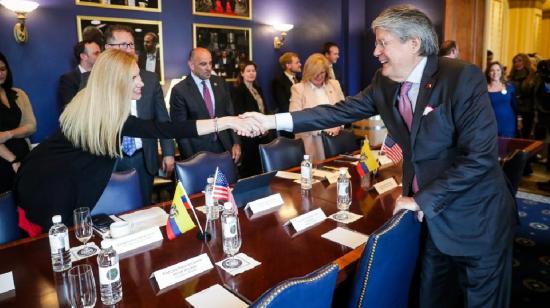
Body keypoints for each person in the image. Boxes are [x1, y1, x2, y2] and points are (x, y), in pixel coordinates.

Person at [242, 5, 516, 307]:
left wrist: (422, 199)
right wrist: (270, 121)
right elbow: (335, 112)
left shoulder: (461, 77)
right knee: (431, 299)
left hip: (477, 218)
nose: (375, 51)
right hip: (431, 223)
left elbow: (480, 157)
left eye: (382, 42)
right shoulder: (384, 82)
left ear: (413, 43)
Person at [14, 49, 260, 231]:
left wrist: (225, 121)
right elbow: (167, 129)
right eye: (134, 77)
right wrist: (225, 122)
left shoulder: (103, 108)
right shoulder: (102, 114)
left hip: (59, 187)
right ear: (116, 82)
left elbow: (167, 129)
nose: (141, 82)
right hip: (43, 190)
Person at [99, 24, 174, 205]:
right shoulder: (94, 80)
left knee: (144, 207)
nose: (130, 49)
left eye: (131, 45)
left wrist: (168, 153)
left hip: (143, 157)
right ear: (108, 49)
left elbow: (162, 119)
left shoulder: (149, 79)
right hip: (109, 158)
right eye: (124, 45)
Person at [170, 47, 241, 162]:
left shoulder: (220, 83)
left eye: (210, 63)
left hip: (226, 148)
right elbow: (180, 131)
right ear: (191, 65)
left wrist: (236, 143)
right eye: (203, 64)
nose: (209, 68)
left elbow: (230, 114)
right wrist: (190, 160)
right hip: (198, 153)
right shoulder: (179, 90)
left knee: (228, 180)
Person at [289, 53, 344, 161]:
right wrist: (323, 129)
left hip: (336, 141)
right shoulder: (298, 89)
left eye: (322, 72)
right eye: (315, 73)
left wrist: (339, 125)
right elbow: (295, 119)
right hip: (310, 144)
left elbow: (343, 109)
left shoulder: (334, 84)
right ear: (308, 72)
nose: (319, 76)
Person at [0, 52, 37, 194]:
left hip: (24, 156)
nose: (1, 73)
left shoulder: (18, 94)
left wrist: (8, 134)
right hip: (4, 161)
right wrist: (13, 160)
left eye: (3, 69)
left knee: (28, 198)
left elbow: (31, 126)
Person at [230, 60, 274, 177]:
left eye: (253, 71)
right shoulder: (238, 91)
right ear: (242, 73)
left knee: (262, 166)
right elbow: (239, 114)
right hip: (248, 135)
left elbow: (263, 109)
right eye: (248, 71)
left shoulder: (257, 89)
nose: (251, 73)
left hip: (263, 133)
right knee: (250, 168)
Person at [58, 39, 101, 109]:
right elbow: (70, 109)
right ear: (83, 56)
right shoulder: (68, 79)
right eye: (96, 53)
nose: (101, 56)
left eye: (100, 52)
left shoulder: (103, 74)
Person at [508, 53, 537, 139]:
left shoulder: (533, 77)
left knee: (525, 136)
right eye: (515, 62)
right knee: (514, 135)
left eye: (520, 61)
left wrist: (536, 113)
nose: (517, 63)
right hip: (514, 109)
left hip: (527, 110)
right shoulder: (511, 77)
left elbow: (535, 96)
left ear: (525, 62)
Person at [486, 61, 517, 137]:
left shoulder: (509, 86)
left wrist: (519, 119)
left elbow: (515, 105)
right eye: (492, 70)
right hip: (490, 123)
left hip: (508, 122)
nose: (495, 73)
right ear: (488, 73)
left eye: (498, 70)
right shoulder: (483, 89)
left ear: (501, 72)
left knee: (507, 145)